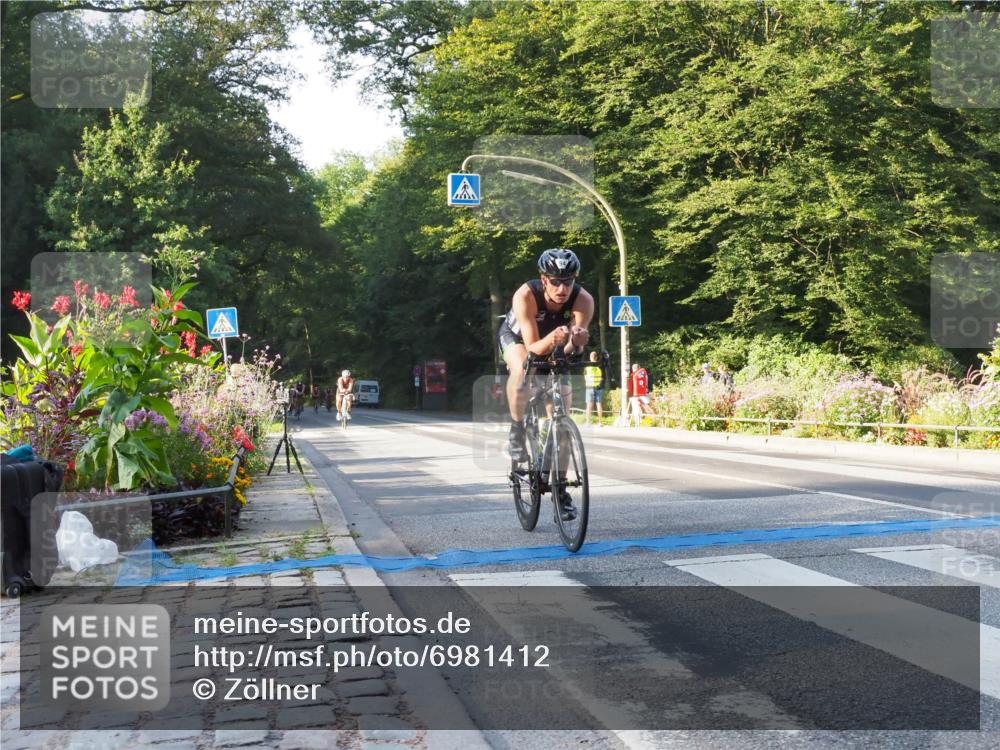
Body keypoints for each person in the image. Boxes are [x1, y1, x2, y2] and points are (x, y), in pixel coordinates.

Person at [497, 249, 594, 521]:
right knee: (522, 369)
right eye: (555, 282)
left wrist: (577, 343)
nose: (562, 289)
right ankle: (517, 429)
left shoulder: (584, 300)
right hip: (519, 339)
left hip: (555, 343)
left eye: (568, 281)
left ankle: (560, 490)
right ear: (543, 279)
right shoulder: (526, 295)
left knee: (562, 413)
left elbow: (571, 350)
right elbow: (533, 349)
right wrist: (553, 339)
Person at [583, 351, 604, 426]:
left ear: (590, 357)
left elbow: (585, 377)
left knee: (589, 405)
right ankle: (600, 422)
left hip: (589, 387)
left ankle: (588, 422)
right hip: (598, 387)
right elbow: (602, 377)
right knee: (599, 404)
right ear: (596, 357)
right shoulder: (600, 366)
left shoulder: (587, 367)